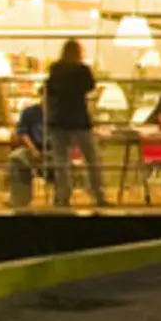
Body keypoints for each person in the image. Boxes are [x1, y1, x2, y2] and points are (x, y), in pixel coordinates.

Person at [43, 39, 108, 209]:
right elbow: (90, 87)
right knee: (91, 158)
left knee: (61, 161)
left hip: (58, 120)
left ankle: (63, 195)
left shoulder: (55, 70)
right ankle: (97, 193)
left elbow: (48, 90)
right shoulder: (82, 70)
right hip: (79, 120)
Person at [6, 99, 46, 211]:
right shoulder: (30, 112)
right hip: (33, 150)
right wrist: (33, 149)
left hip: (56, 152)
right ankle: (19, 200)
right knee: (16, 158)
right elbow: (22, 132)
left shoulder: (61, 114)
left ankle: (61, 200)